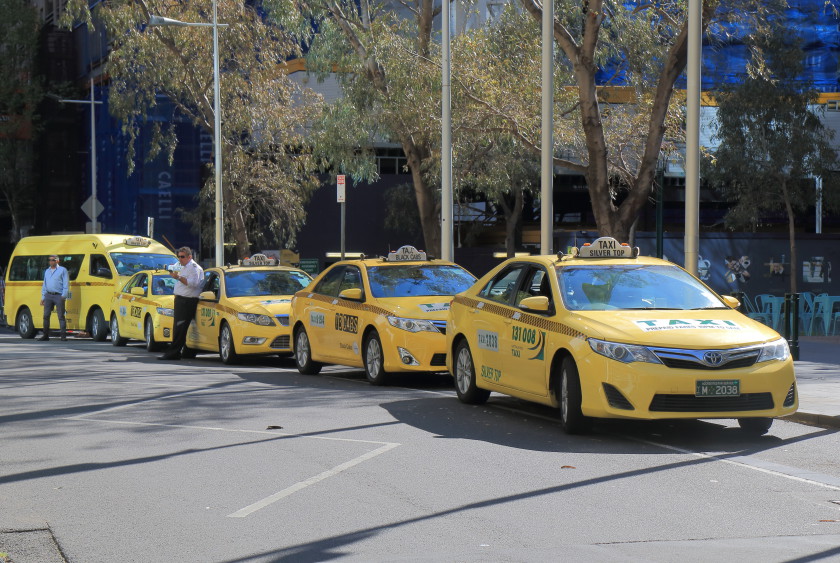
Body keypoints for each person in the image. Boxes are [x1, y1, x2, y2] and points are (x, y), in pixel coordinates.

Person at [159, 247, 204, 360]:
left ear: (190, 257)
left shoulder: (194, 268)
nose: (180, 259)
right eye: (178, 256)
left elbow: (193, 284)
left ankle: (173, 353)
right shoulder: (185, 267)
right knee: (180, 327)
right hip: (181, 300)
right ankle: (182, 352)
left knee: (180, 327)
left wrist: (178, 277)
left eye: (182, 257)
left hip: (187, 301)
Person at [39, 254, 69, 341]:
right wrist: (43, 297)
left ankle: (63, 336)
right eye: (50, 260)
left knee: (61, 316)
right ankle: (45, 335)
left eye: (53, 260)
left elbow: (66, 283)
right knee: (46, 315)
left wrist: (64, 295)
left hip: (58, 295)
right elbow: (44, 285)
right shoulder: (47, 271)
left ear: (57, 261)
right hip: (48, 295)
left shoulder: (62, 270)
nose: (51, 262)